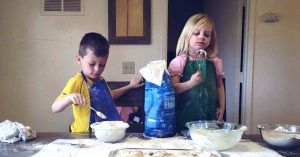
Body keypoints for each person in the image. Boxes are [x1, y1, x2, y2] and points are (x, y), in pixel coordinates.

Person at [52, 32, 143, 133]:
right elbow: (55, 107)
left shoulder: (101, 80)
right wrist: (69, 97)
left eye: (102, 65)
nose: (96, 70)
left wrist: (130, 86)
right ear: (79, 59)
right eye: (92, 64)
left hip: (103, 134)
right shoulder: (77, 81)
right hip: (82, 137)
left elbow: (110, 95)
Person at [168, 14, 225, 133]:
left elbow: (219, 86)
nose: (201, 37)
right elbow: (172, 89)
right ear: (187, 36)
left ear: (211, 39)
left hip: (208, 119)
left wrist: (222, 107)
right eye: (196, 33)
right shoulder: (178, 62)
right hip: (183, 119)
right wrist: (190, 83)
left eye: (206, 34)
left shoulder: (215, 62)